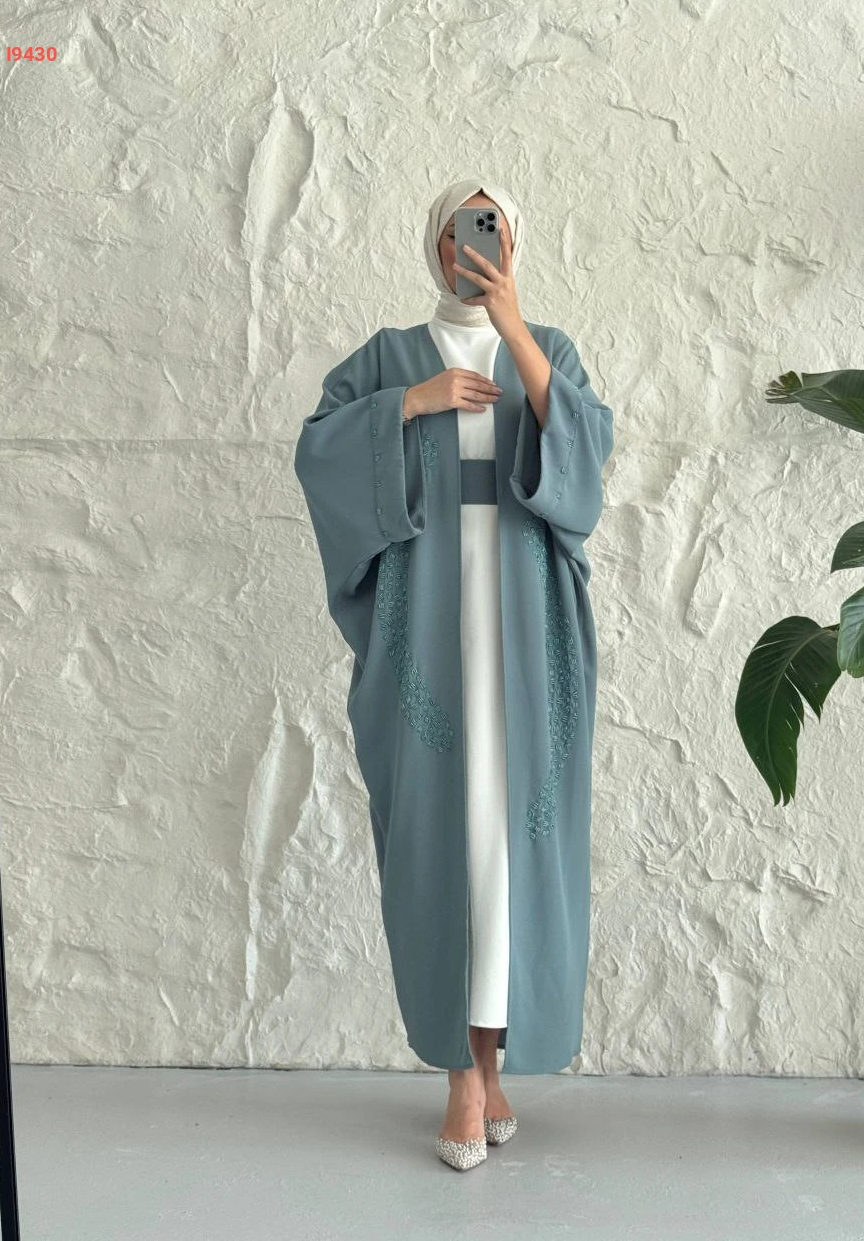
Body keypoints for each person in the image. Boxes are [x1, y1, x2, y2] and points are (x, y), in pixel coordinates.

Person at [294, 178, 614, 1171]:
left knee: (514, 842)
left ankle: (493, 1059)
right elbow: (319, 452)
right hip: (428, 620)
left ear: (514, 242)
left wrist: (513, 327)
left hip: (526, 620)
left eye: (493, 229)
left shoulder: (548, 347)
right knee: (444, 833)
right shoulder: (387, 357)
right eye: (458, 231)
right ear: (433, 244)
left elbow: (586, 463)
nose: (474, 247)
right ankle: (461, 1075)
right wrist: (410, 404)